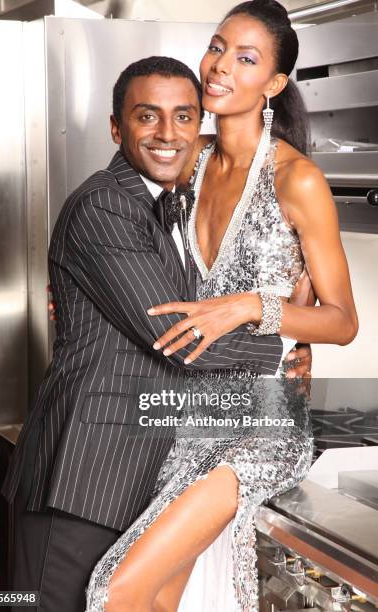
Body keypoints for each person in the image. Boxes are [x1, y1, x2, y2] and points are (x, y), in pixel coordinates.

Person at [1, 55, 310, 612]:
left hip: (135, 474)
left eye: (184, 117)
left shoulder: (171, 207)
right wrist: (282, 350)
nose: (168, 133)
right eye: (148, 117)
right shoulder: (104, 205)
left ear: (200, 126)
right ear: (117, 128)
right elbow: (178, 336)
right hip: (82, 477)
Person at [85, 2, 358, 612]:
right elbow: (120, 225)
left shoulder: (298, 180)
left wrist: (252, 309)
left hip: (263, 423)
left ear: (275, 84)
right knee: (158, 599)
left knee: (116, 588)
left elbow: (343, 320)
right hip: (186, 415)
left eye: (246, 58)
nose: (219, 66)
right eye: (216, 47)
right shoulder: (189, 160)